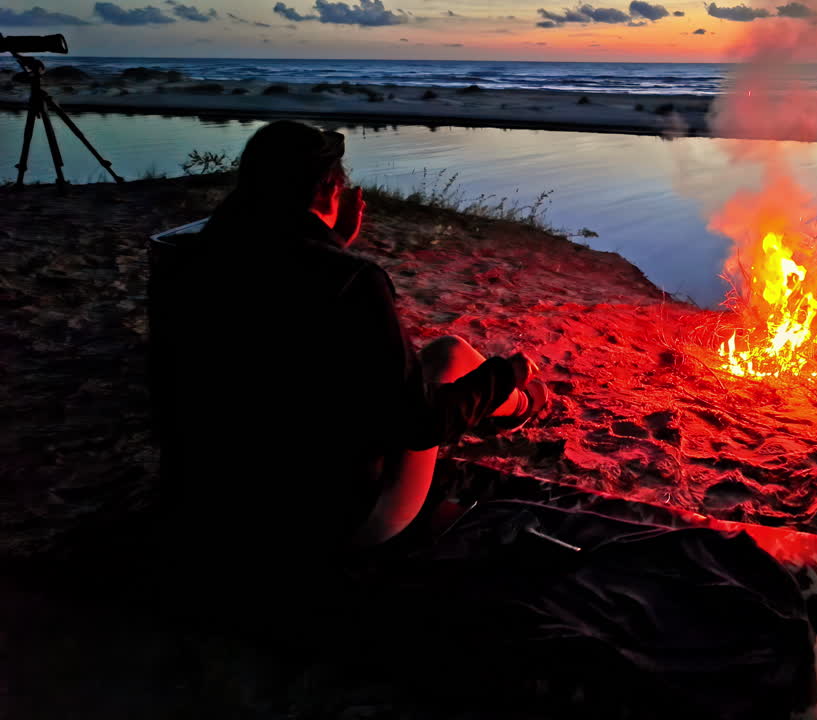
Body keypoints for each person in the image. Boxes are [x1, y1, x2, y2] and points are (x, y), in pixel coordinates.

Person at [147, 120, 547, 578]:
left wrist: (335, 244)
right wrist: (503, 374)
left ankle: (518, 400)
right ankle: (523, 397)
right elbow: (419, 424)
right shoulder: (352, 281)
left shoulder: (186, 258)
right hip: (327, 526)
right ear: (326, 191)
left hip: (204, 510)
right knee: (453, 355)